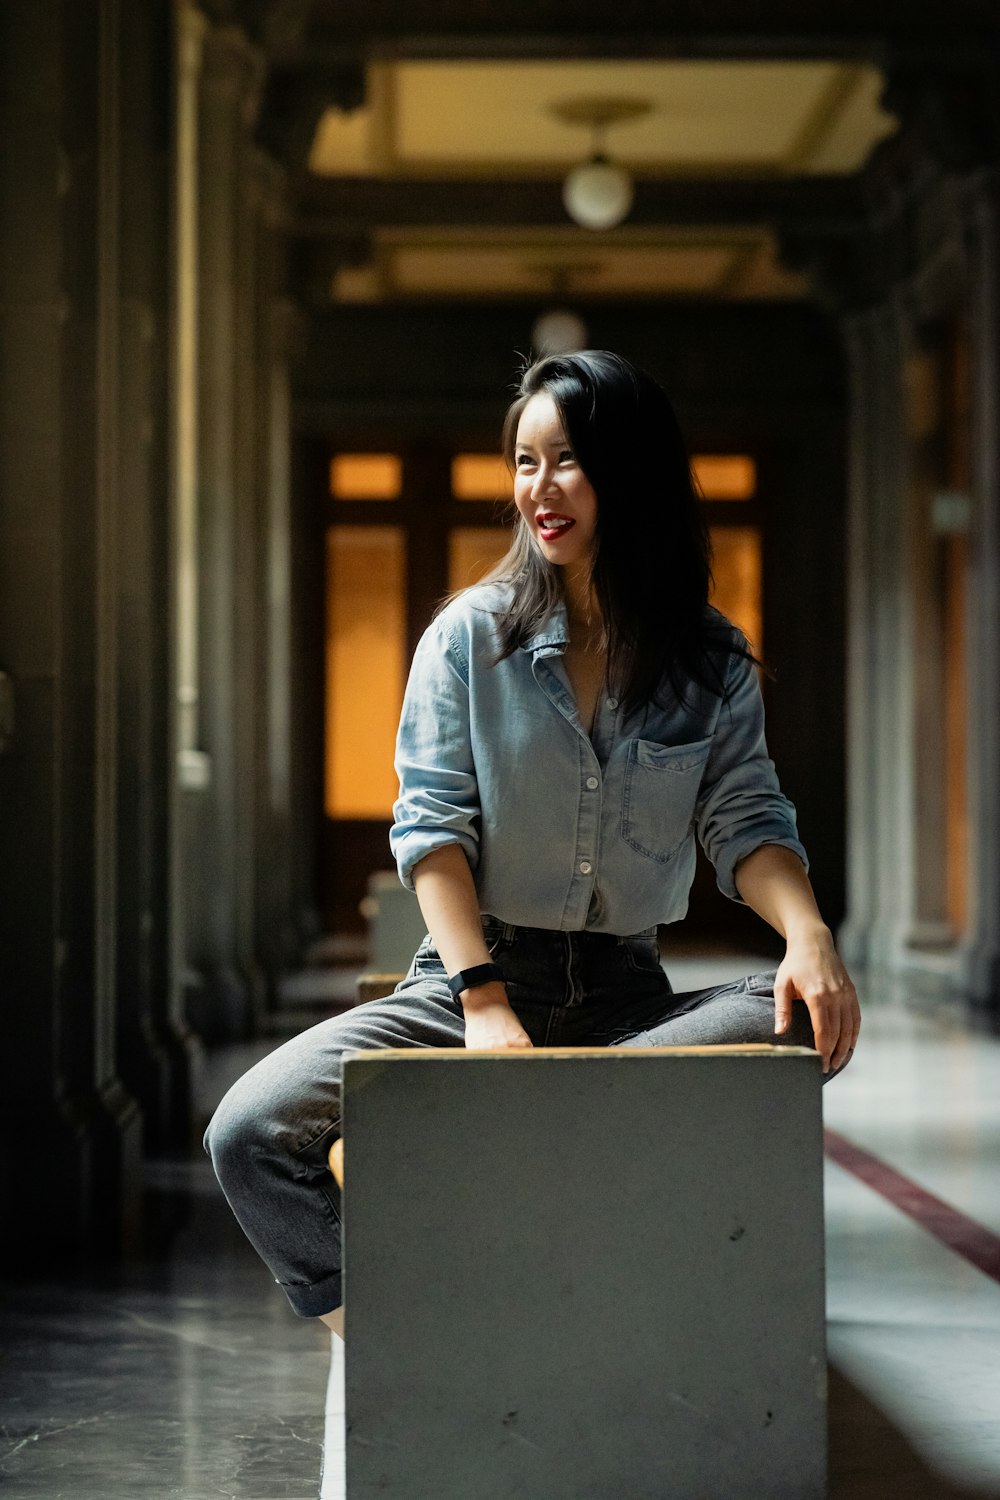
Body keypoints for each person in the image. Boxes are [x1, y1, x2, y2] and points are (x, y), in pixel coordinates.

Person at [205, 349, 860, 1340]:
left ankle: (557, 1130)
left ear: (627, 471)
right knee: (248, 1132)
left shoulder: (708, 659)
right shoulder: (468, 642)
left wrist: (808, 936)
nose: (538, 489)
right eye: (523, 461)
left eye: (566, 461)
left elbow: (746, 817)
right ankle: (401, 1346)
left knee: (785, 1020)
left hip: (629, 1003)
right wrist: (484, 1003)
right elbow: (430, 831)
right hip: (468, 983)